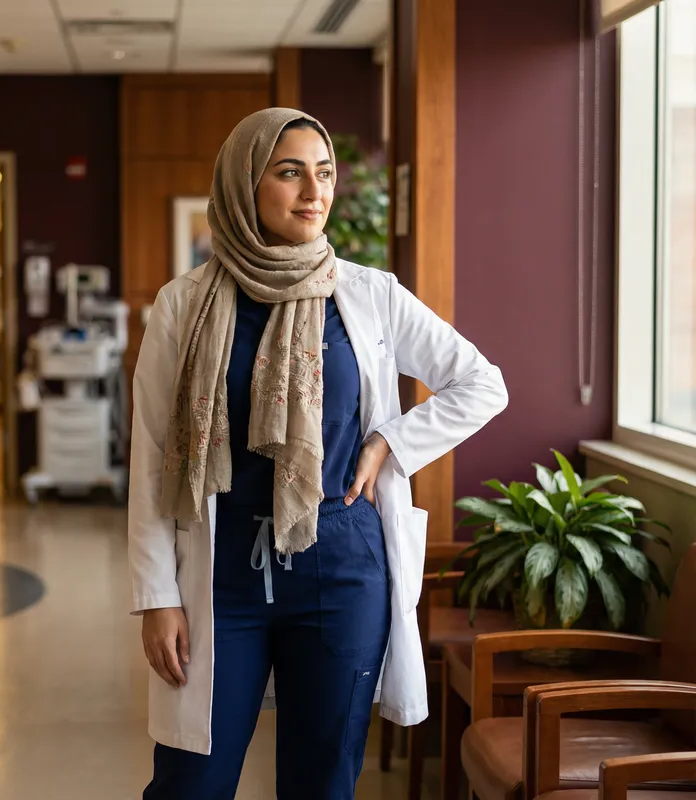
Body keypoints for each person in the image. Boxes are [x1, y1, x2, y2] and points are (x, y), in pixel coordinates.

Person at [128, 108, 509, 800]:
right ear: (246, 185)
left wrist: (392, 441)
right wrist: (157, 598)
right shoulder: (183, 307)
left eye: (325, 173)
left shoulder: (368, 295)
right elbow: (152, 454)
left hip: (341, 568)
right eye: (290, 171)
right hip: (222, 579)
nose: (315, 191)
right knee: (190, 784)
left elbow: (482, 383)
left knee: (322, 782)